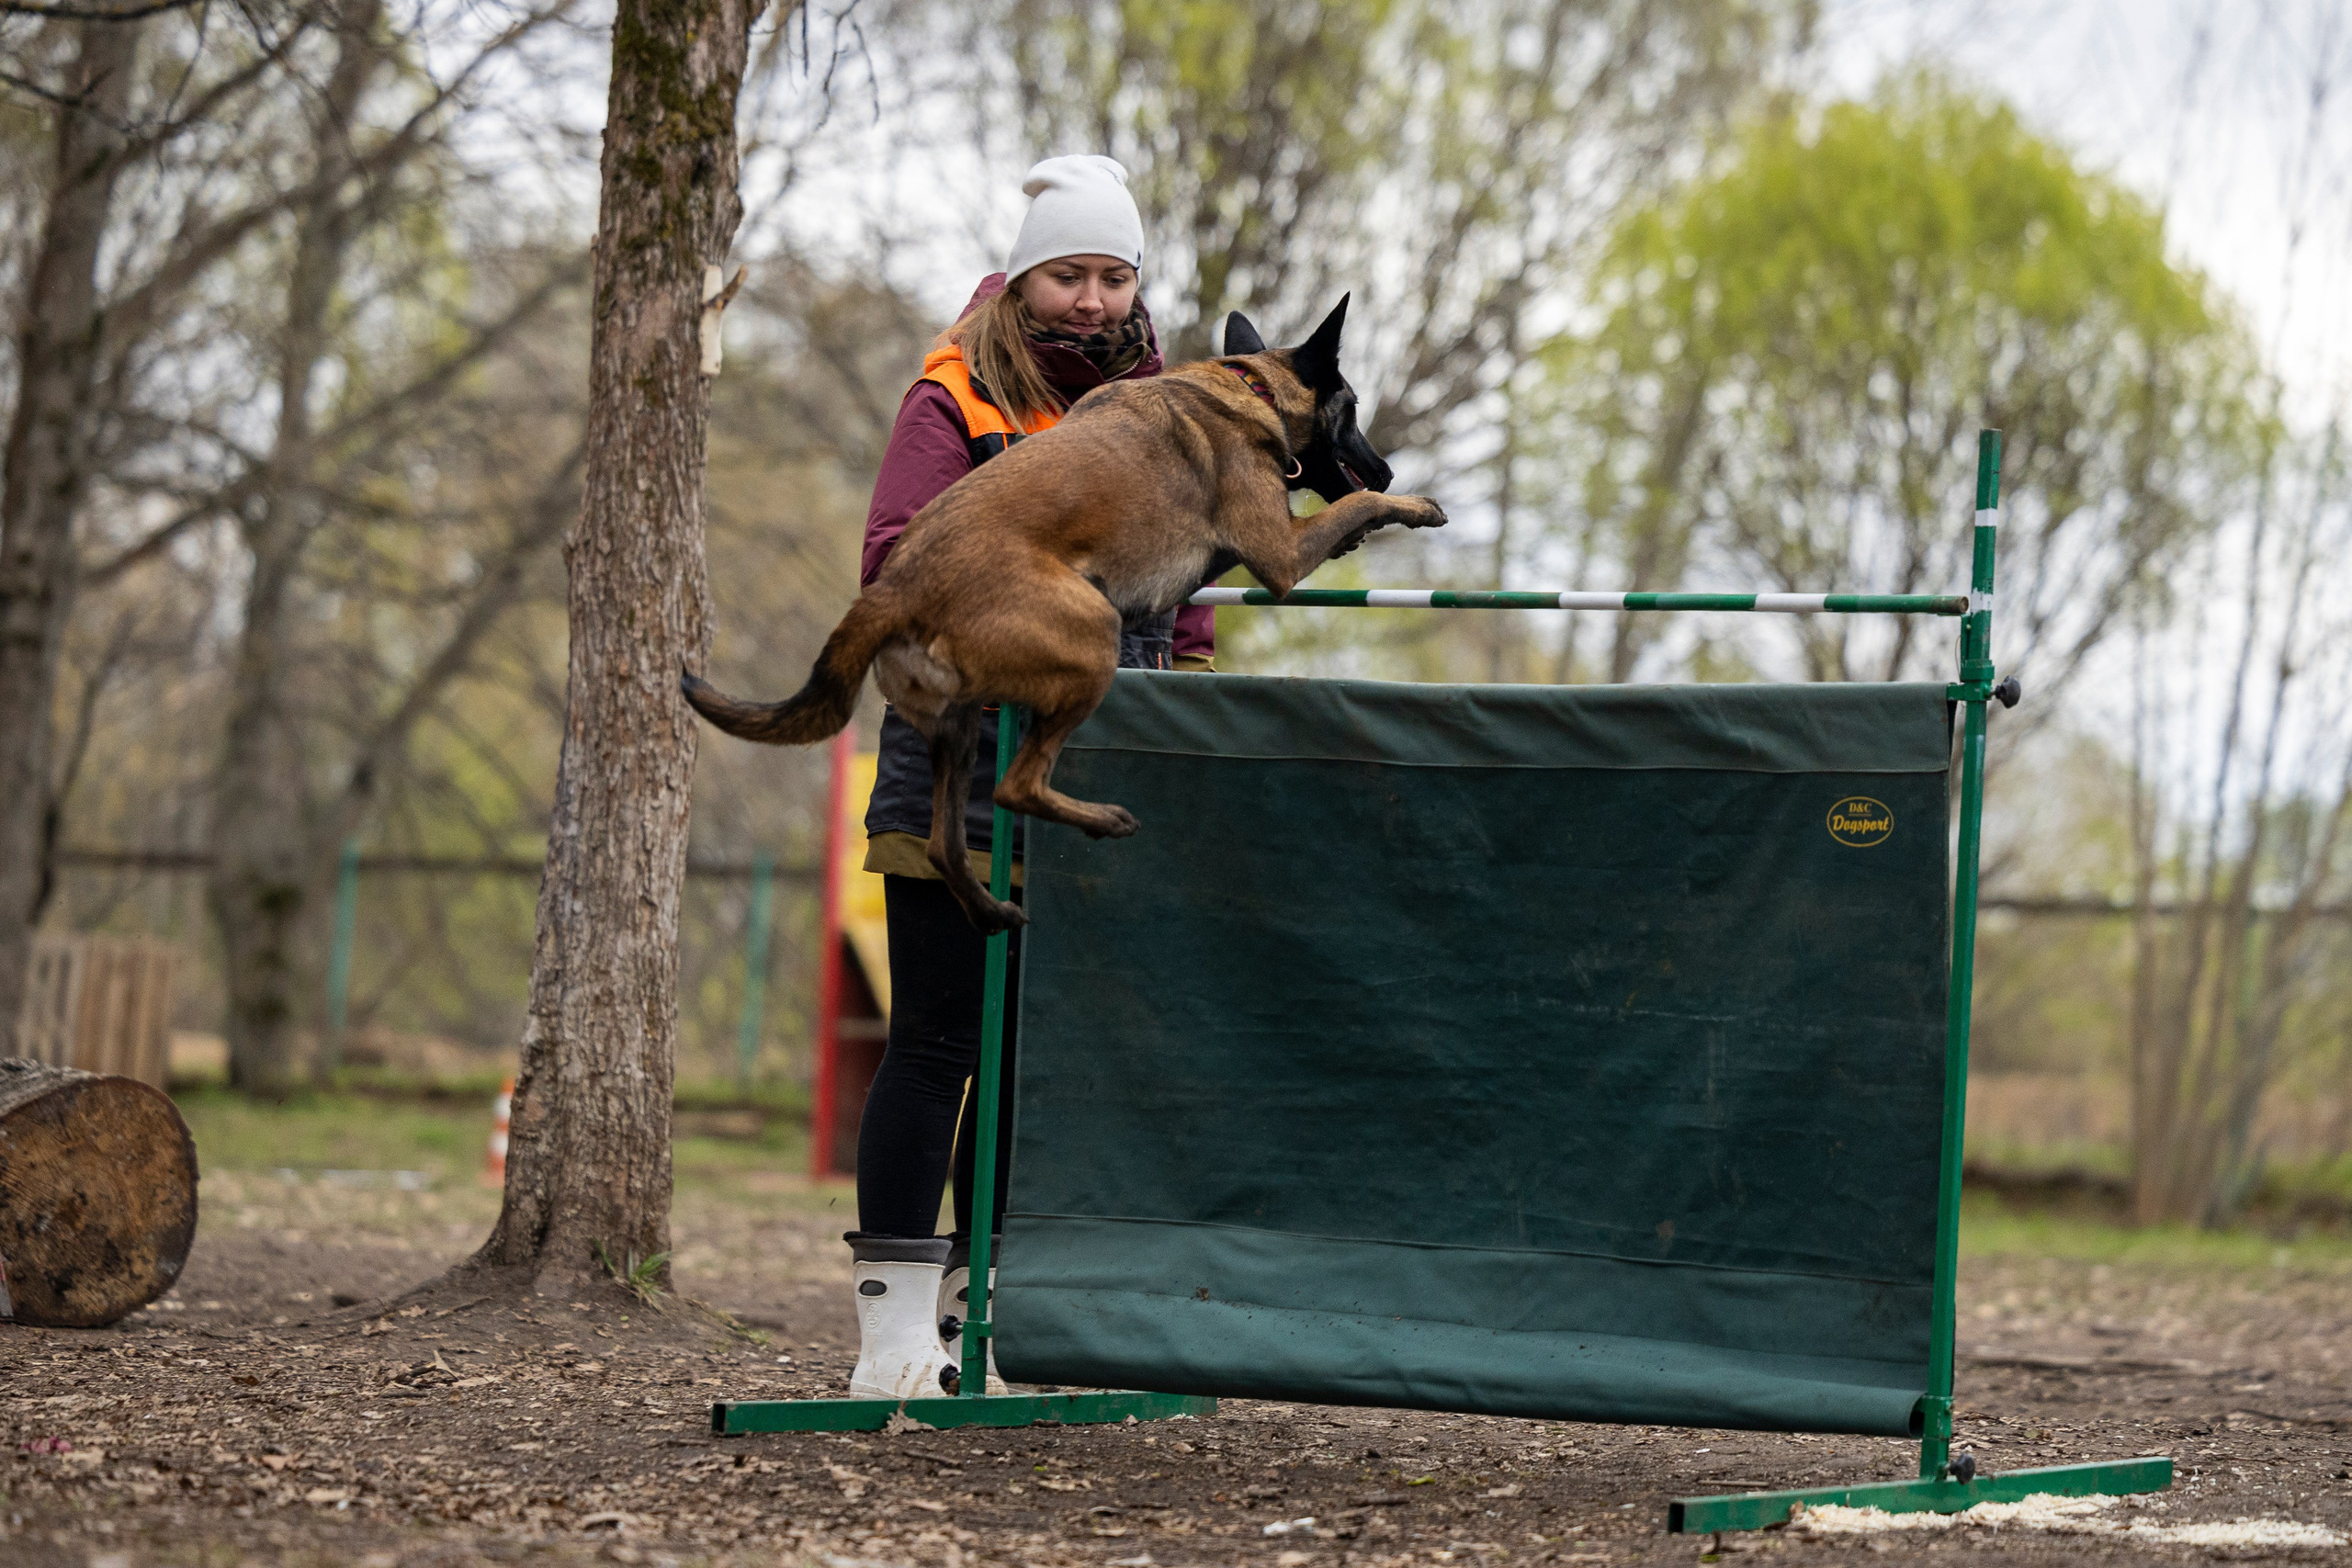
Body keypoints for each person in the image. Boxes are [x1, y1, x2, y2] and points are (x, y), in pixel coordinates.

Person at [842, 154, 1215, 1400]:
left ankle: (981, 1332)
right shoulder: (953, 395)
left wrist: (1188, 684)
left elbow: (1190, 585)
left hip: (1086, 777)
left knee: (1024, 1062)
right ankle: (890, 1339)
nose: (1094, 301)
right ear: (1025, 279)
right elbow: (895, 559)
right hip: (954, 758)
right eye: (1071, 274)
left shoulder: (1167, 409)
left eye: (1116, 277)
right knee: (940, 1038)